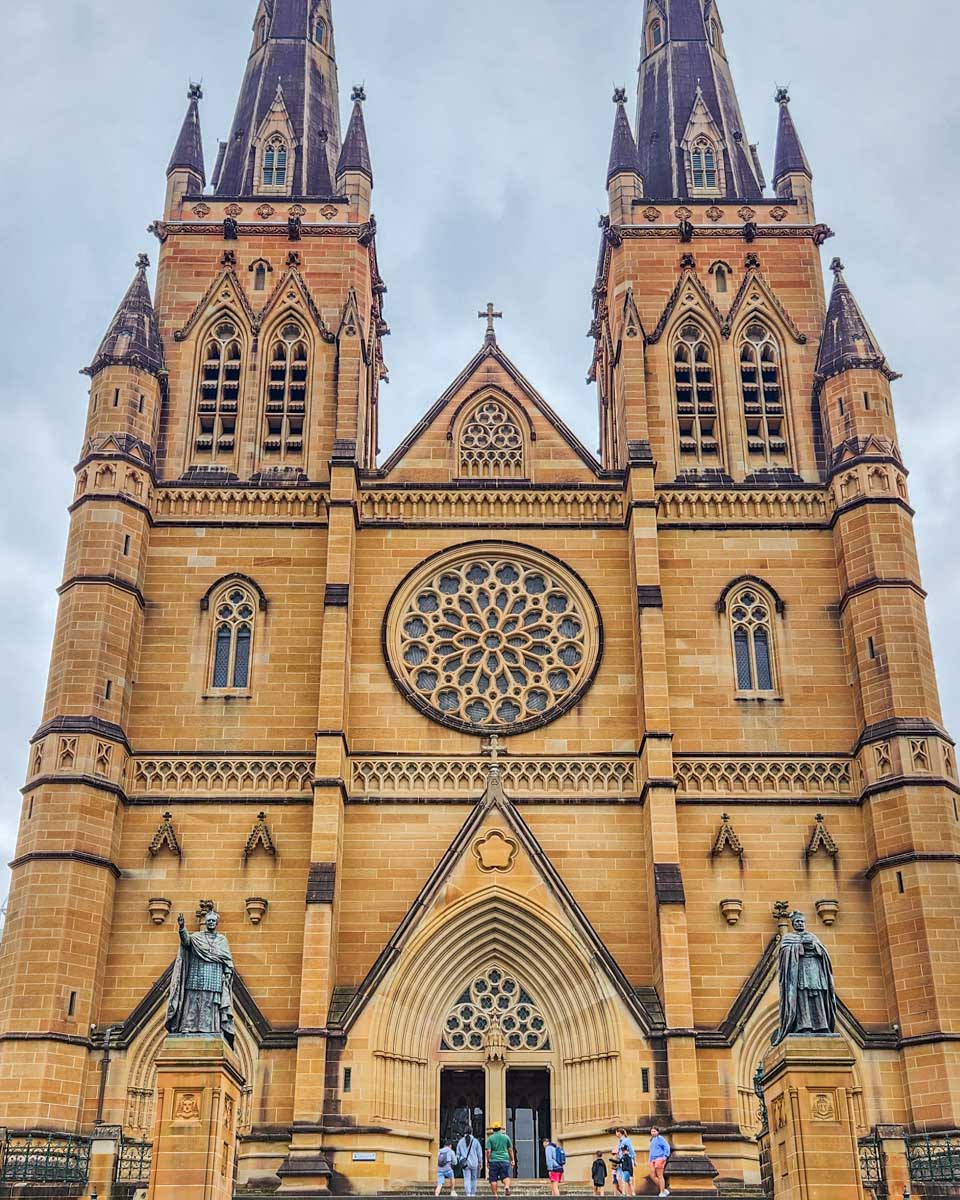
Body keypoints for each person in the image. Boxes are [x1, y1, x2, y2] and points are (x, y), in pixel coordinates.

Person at [166, 910, 236, 1048]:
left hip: (214, 975)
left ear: (216, 923)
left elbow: (227, 959)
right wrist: (182, 928)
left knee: (211, 1003)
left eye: (213, 921)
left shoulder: (222, 940)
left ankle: (211, 1029)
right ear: (206, 922)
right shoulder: (197, 937)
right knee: (192, 1001)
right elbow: (186, 942)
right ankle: (188, 1026)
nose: (210, 923)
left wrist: (227, 973)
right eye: (208, 920)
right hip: (196, 973)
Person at [772, 911, 837, 1045]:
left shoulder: (812, 936)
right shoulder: (789, 938)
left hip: (815, 971)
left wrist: (813, 946)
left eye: (802, 922)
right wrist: (799, 947)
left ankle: (822, 1025)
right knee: (802, 998)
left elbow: (823, 952)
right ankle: (804, 1025)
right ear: (793, 924)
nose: (800, 924)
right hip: (799, 972)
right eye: (797, 922)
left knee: (818, 998)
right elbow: (784, 953)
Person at [485, 1123, 514, 1197]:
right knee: (505, 1176)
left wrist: (488, 1160)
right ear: (500, 1129)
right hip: (504, 1160)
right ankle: (506, 1186)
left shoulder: (490, 1138)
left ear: (493, 1130)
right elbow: (510, 1149)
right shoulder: (506, 1137)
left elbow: (488, 1151)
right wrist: (512, 1160)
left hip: (494, 1160)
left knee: (493, 1179)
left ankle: (495, 1194)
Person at [457, 1128, 484, 1198]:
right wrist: (480, 1162)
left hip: (465, 1164)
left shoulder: (460, 1142)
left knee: (467, 1178)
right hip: (474, 1163)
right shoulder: (475, 1141)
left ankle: (468, 1194)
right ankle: (473, 1194)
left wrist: (461, 1159)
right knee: (474, 1179)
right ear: (471, 1132)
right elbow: (479, 1153)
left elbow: (458, 1154)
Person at [648, 1127, 671, 1198]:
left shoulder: (660, 1138)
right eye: (652, 1131)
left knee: (660, 1175)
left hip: (659, 1158)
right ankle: (664, 1189)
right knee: (652, 1175)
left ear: (657, 1132)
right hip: (652, 1159)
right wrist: (649, 1160)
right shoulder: (652, 1140)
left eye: (654, 1131)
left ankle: (662, 1192)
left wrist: (665, 1156)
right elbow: (651, 1151)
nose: (653, 1133)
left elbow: (666, 1147)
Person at [614, 1129, 636, 1197]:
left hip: (627, 1162)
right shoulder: (619, 1141)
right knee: (620, 1178)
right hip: (621, 1162)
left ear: (619, 1133)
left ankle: (626, 1193)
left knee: (625, 1178)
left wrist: (634, 1160)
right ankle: (628, 1193)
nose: (616, 1134)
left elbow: (631, 1150)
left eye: (616, 1132)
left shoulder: (626, 1140)